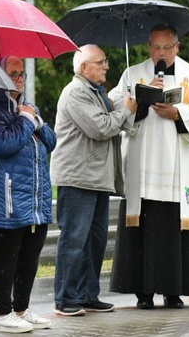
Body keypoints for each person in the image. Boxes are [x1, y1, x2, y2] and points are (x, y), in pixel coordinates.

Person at [108, 25, 189, 309]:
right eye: (155, 47)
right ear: (148, 47)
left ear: (177, 47)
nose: (160, 53)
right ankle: (143, 293)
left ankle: (173, 291)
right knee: (142, 228)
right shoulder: (132, 74)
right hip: (143, 165)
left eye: (166, 48)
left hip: (177, 166)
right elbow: (114, 105)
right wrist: (140, 104)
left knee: (174, 231)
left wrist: (178, 113)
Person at [50, 45, 137, 316]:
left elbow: (112, 121)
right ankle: (66, 298)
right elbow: (100, 128)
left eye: (106, 61)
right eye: (100, 63)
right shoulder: (76, 92)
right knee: (75, 239)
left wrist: (126, 106)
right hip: (78, 178)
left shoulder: (95, 93)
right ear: (83, 68)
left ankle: (87, 294)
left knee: (95, 240)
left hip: (95, 178)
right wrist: (124, 111)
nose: (106, 67)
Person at [0, 56, 55, 334]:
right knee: (7, 254)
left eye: (21, 73)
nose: (20, 78)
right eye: (13, 73)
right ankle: (3, 313)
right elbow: (3, 144)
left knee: (30, 255)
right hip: (7, 197)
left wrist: (33, 118)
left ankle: (21, 308)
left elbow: (51, 141)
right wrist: (25, 119)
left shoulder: (27, 107)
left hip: (36, 196)